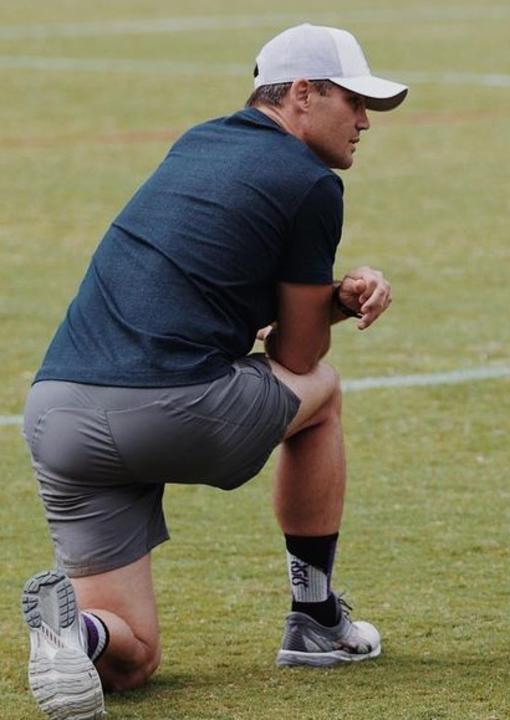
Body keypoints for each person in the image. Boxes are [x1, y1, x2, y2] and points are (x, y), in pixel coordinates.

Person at [20, 24, 407, 720]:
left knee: (133, 660)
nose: (363, 121)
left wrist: (330, 302)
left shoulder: (197, 143)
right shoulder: (309, 182)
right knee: (322, 393)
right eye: (352, 101)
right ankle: (316, 621)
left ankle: (72, 632)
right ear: (301, 94)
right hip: (166, 410)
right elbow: (297, 356)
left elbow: (207, 294)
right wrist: (343, 302)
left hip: (58, 415)